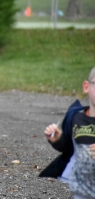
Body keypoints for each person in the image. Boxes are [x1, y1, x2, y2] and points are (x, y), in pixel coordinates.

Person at [39, 66, 95, 199]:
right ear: (86, 87)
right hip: (82, 191)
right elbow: (68, 148)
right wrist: (58, 139)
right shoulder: (76, 117)